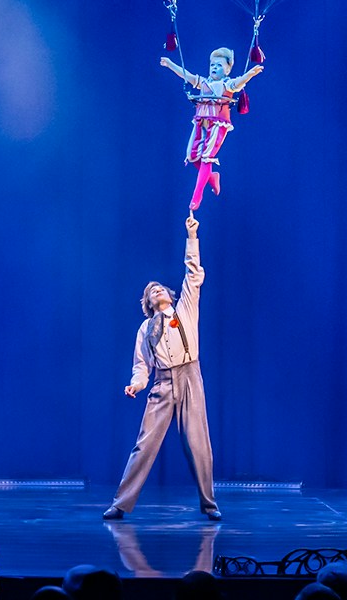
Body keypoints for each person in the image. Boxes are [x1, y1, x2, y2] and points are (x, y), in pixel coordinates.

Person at [104, 214, 220, 520]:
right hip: (162, 383)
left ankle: (210, 505)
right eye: (150, 290)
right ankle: (120, 503)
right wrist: (137, 385)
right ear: (147, 302)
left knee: (199, 445)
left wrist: (191, 236)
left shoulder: (184, 308)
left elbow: (193, 274)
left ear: (169, 294)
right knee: (144, 445)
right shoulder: (145, 329)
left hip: (190, 376)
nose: (156, 289)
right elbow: (141, 365)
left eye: (159, 288)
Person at [161, 50, 263, 210]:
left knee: (207, 156)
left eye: (219, 65)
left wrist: (250, 74)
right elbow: (186, 75)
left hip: (218, 123)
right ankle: (211, 177)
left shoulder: (226, 84)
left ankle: (197, 195)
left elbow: (239, 83)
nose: (214, 67)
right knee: (192, 155)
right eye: (212, 65)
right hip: (201, 121)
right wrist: (170, 65)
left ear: (228, 69)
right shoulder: (203, 83)